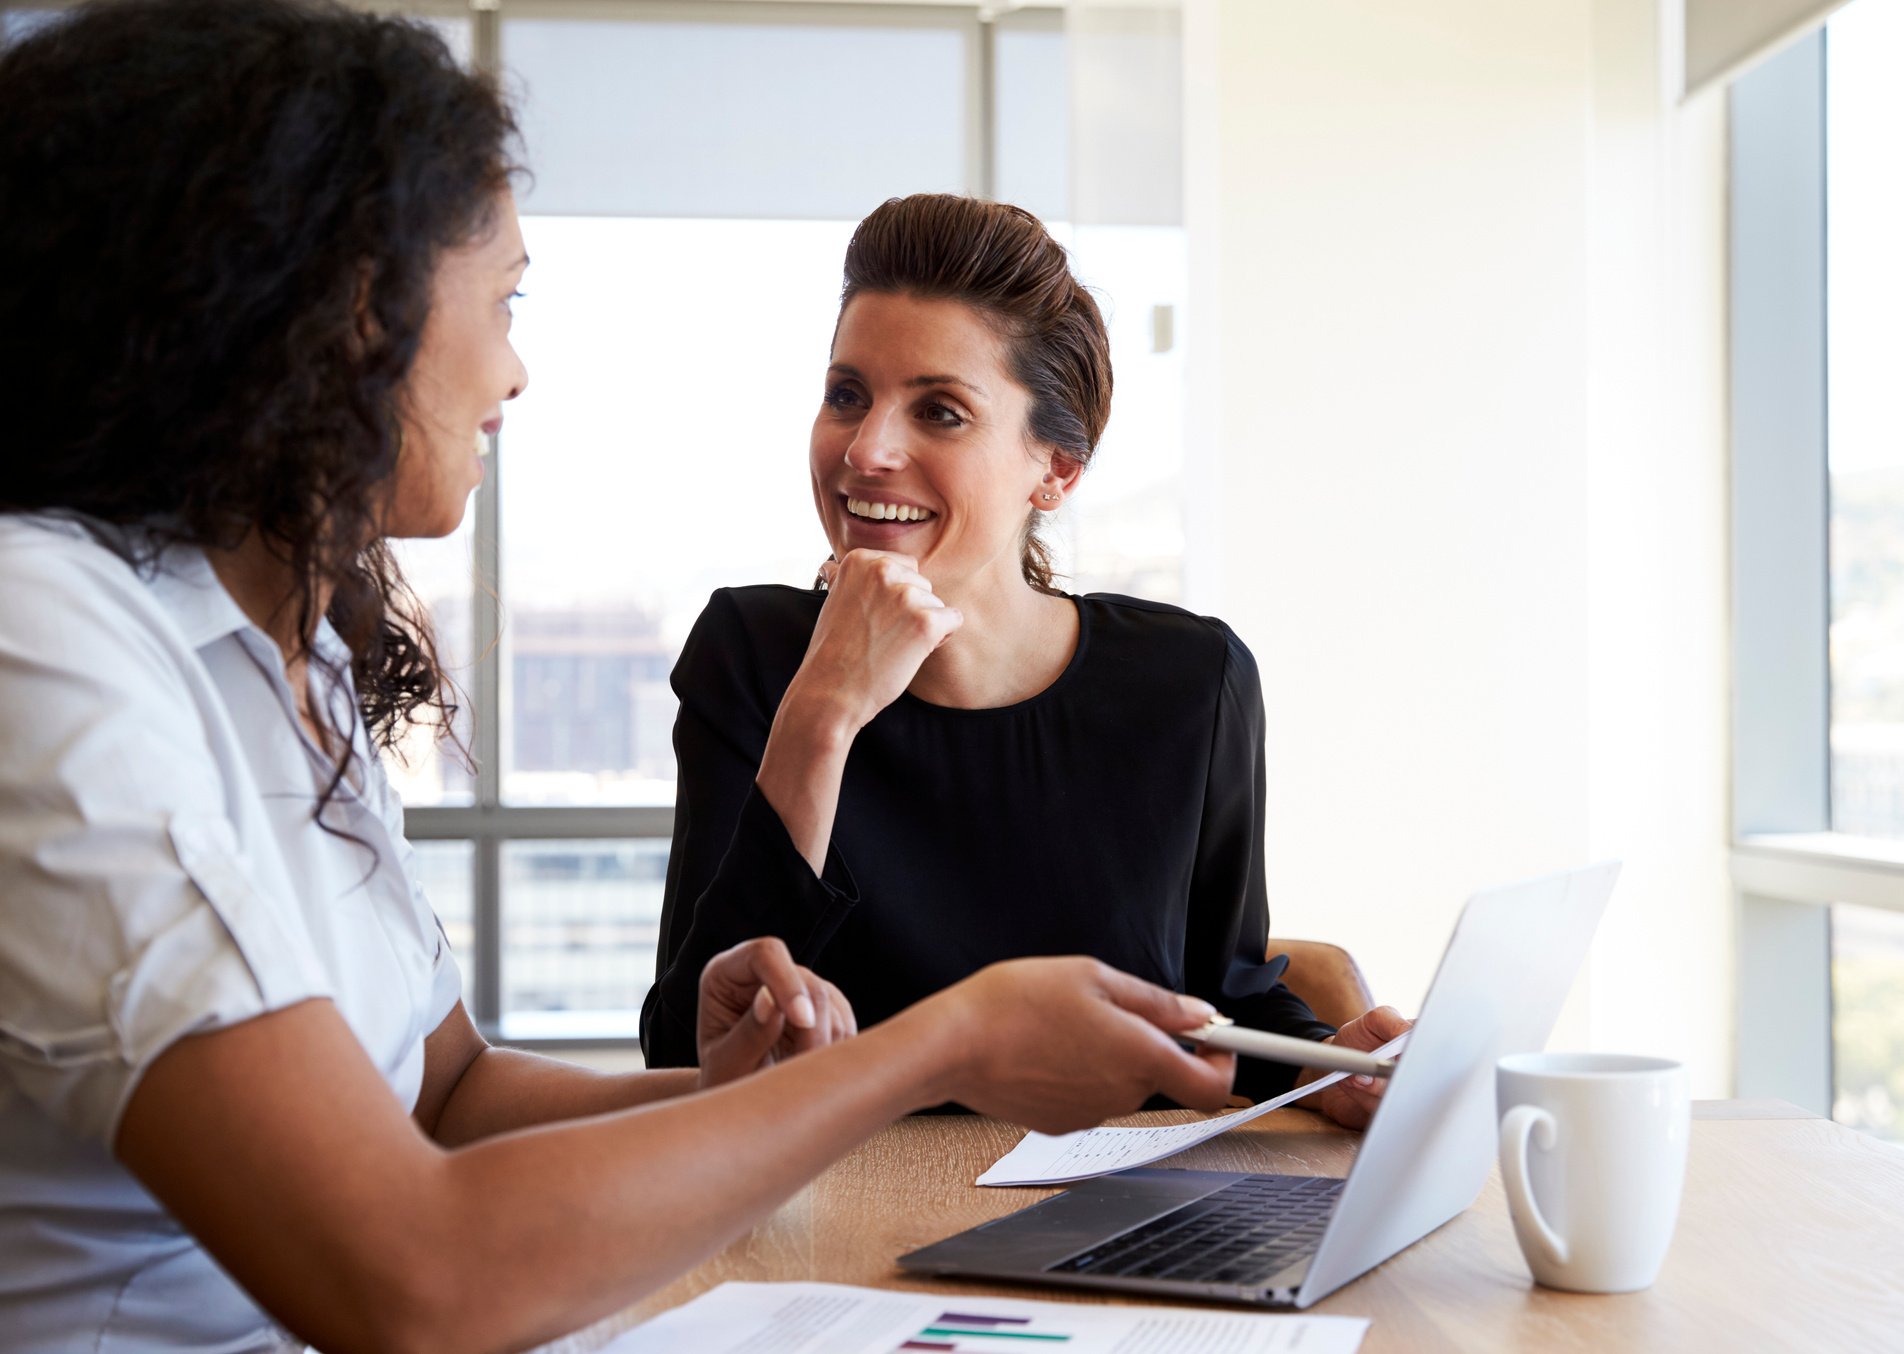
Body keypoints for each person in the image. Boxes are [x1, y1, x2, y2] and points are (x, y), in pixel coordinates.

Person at [0, 4, 1241, 1349]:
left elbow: (448, 1090)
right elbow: (407, 1274)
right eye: (503, 302)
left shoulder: (286, 663)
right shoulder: (44, 637)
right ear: (333, 310)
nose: (515, 370)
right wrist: (937, 1045)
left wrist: (745, 1091)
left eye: (938, 408)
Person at [639, 194, 1410, 1127]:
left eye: (941, 411)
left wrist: (1325, 1069)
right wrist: (826, 711)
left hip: (1121, 1232)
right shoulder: (752, 659)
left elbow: (1225, 1001)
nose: (869, 447)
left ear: (1057, 468)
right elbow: (687, 1055)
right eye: (848, 394)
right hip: (846, 1236)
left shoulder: (1191, 685)